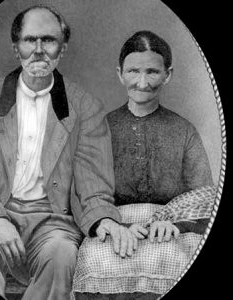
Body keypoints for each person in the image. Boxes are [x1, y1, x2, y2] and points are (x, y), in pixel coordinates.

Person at [0, 5, 134, 300]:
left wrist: (104, 219)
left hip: (52, 221)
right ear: (15, 47)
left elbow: (93, 183)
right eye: (29, 40)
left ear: (63, 48)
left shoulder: (86, 107)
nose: (38, 50)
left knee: (61, 256)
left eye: (48, 40)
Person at [72, 31, 214, 300]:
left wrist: (176, 224)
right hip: (112, 225)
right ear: (119, 73)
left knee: (180, 256)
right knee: (94, 258)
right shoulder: (99, 128)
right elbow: (82, 191)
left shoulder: (183, 130)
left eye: (152, 72)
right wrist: (109, 224)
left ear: (167, 74)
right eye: (133, 71)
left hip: (171, 230)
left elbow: (205, 198)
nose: (142, 82)